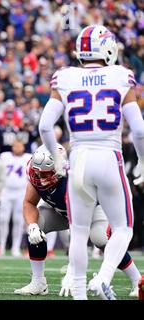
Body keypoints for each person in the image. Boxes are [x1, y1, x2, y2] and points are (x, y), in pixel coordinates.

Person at [38, 25, 144, 300]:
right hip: (109, 156)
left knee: (79, 232)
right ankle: (104, 277)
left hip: (79, 159)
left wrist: (58, 156)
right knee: (123, 228)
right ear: (108, 49)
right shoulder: (120, 75)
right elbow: (140, 130)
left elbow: (45, 125)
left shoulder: (66, 77)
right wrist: (143, 160)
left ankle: (79, 293)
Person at [14, 144, 141, 297]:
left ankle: (137, 280)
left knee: (100, 238)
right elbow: (29, 203)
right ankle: (38, 282)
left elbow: (78, 229)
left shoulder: (73, 180)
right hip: (61, 211)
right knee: (36, 229)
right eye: (38, 173)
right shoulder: (37, 173)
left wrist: (72, 271)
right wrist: (32, 226)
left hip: (93, 210)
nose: (40, 178)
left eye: (46, 174)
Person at [0, 139, 31, 256]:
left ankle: (15, 247)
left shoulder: (28, 157)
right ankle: (1, 246)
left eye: (19, 146)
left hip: (21, 191)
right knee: (3, 219)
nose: (17, 148)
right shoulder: (4, 156)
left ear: (23, 147)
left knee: (18, 220)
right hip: (6, 191)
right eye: (15, 146)